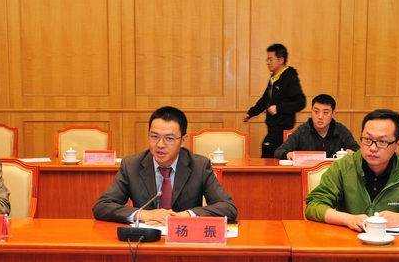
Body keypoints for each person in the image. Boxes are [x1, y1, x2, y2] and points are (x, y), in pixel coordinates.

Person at [305, 108, 399, 231]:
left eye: (382, 141)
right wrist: (347, 219)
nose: (373, 148)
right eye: (367, 139)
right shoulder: (343, 167)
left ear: (398, 144)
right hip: (349, 241)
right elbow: (314, 206)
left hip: (393, 245)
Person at [93, 106, 237, 224]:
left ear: (183, 140)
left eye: (169, 138)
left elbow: (228, 208)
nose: (160, 145)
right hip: (145, 239)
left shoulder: (199, 166)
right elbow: (102, 206)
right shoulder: (132, 165)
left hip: (184, 239)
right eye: (154, 136)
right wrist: (144, 214)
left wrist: (187, 215)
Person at [244, 43, 306, 158]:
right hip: (272, 129)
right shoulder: (274, 78)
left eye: (270, 59)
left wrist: (278, 108)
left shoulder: (289, 77)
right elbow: (265, 100)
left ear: (281, 60)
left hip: (282, 131)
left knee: (269, 152)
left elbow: (301, 102)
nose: (267, 62)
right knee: (267, 152)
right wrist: (251, 113)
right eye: (267, 60)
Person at [274, 94, 358, 160]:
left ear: (333, 114)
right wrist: (288, 154)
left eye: (325, 113)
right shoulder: (303, 130)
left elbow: (357, 151)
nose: (320, 116)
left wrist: (352, 152)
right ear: (311, 111)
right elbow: (279, 151)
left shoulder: (340, 130)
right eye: (316, 111)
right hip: (308, 173)